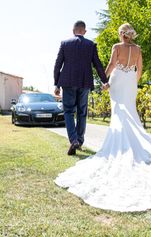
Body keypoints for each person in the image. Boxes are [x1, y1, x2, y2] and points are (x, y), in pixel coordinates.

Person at [54, 23, 151, 212]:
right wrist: (130, 82)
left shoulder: (115, 47)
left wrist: (105, 82)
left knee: (86, 111)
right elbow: (139, 69)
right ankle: (85, 139)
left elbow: (110, 65)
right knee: (126, 113)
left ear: (121, 34)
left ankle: (80, 140)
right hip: (129, 83)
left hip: (111, 80)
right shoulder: (137, 49)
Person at [53, 20, 109, 156]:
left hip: (68, 83)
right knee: (82, 113)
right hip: (84, 83)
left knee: (68, 112)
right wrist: (104, 81)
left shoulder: (65, 44)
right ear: (84, 31)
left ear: (73, 31)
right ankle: (79, 141)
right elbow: (98, 64)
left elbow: (58, 65)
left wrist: (57, 84)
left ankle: (73, 140)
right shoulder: (90, 45)